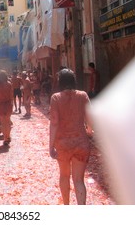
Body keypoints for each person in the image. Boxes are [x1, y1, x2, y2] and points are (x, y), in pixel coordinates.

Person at [49, 69, 93, 205]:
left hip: (63, 145)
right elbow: (90, 118)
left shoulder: (55, 98)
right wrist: (90, 131)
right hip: (81, 143)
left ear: (60, 82)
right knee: (79, 180)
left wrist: (50, 146)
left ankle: (67, 206)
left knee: (64, 175)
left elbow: (54, 123)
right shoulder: (83, 95)